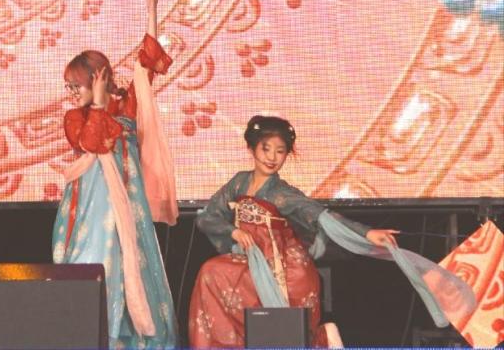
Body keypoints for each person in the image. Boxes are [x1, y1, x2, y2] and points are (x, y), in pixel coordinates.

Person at [189, 115, 475, 348]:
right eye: (266, 149)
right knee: (211, 273)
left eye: (280, 151)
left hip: (285, 269)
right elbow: (208, 216)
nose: (272, 157)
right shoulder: (238, 183)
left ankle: (324, 338)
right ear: (252, 149)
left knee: (280, 329)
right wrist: (233, 232)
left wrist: (366, 234)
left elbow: (322, 216)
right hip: (252, 261)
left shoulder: (282, 193)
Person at [52, 0, 180, 348]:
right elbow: (92, 143)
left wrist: (152, 14)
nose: (72, 93)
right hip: (92, 205)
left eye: (77, 85)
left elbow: (147, 66)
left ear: (99, 78)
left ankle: (129, 339)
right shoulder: (75, 117)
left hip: (128, 197)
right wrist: (94, 105)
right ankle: (92, 334)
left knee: (130, 261)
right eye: (69, 86)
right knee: (97, 256)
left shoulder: (127, 106)